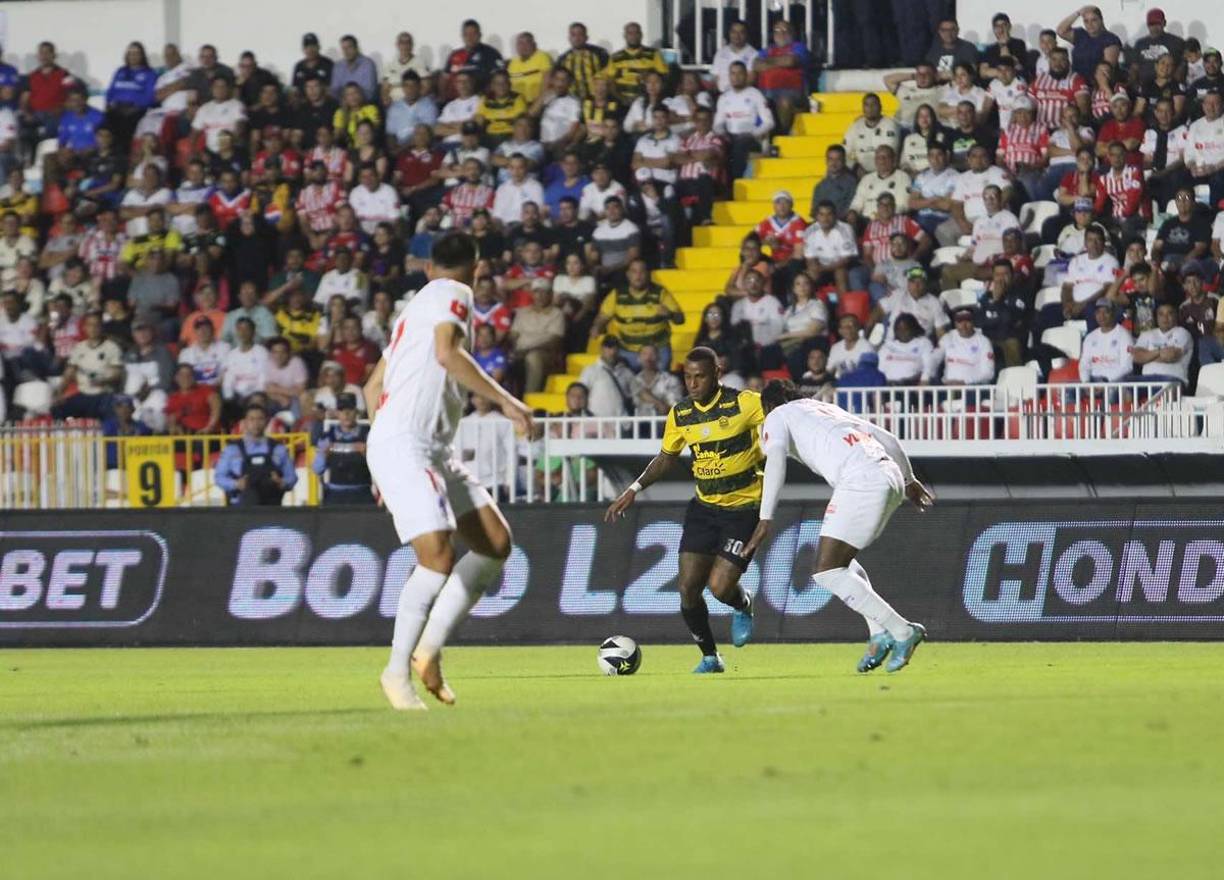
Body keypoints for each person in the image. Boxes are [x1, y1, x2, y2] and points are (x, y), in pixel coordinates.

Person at [362, 231, 532, 710]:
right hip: (407, 443)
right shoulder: (453, 294)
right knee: (437, 555)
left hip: (424, 446)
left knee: (494, 543)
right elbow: (447, 353)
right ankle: (396, 673)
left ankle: (427, 652)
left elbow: (372, 388)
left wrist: (380, 463)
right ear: (476, 269)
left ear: (427, 266)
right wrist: (508, 402)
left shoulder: (412, 310)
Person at [744, 381, 933, 673]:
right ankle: (878, 634)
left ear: (768, 406)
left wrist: (765, 517)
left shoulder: (777, 415)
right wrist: (909, 480)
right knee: (842, 564)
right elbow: (888, 438)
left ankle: (903, 631)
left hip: (862, 479)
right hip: (888, 474)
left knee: (827, 571)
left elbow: (776, 462)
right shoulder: (825, 409)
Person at [604, 347, 761, 674]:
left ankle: (743, 603)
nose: (692, 383)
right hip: (704, 508)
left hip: (743, 508)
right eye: (687, 377)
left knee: (720, 589)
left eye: (700, 376)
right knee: (688, 588)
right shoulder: (681, 413)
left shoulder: (744, 403)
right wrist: (633, 489)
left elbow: (783, 420)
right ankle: (710, 657)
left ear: (717, 373)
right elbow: (666, 457)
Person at [590, 258, 684, 371]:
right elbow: (602, 317)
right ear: (628, 275)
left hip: (657, 350)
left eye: (642, 271)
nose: (638, 276)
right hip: (628, 351)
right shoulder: (617, 295)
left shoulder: (660, 293)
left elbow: (681, 319)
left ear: (648, 274)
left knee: (659, 380)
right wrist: (597, 327)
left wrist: (670, 314)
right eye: (634, 271)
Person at [214, 402, 298, 505]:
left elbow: (292, 477)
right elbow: (219, 477)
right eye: (252, 419)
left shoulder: (279, 449)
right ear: (244, 422)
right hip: (240, 506)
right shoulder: (231, 449)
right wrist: (236, 484)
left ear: (267, 421)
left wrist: (281, 483)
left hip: (271, 506)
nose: (256, 423)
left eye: (260, 419)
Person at [713, 62, 773, 182]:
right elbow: (717, 124)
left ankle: (736, 180)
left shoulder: (755, 94)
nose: (736, 77)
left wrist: (753, 133)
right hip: (730, 137)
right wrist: (723, 134)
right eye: (733, 73)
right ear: (729, 76)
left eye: (740, 73)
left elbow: (769, 122)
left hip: (751, 137)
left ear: (746, 75)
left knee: (741, 142)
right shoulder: (724, 97)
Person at [310, 392, 374, 504]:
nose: (346, 414)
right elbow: (317, 469)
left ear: (356, 412)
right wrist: (324, 455)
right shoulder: (327, 437)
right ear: (337, 413)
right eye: (342, 410)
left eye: (350, 409)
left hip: (362, 495)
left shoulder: (369, 435)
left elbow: (381, 468)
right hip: (335, 496)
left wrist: (368, 455)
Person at [1133, 303, 1193, 386]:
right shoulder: (1147, 334)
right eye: (1161, 314)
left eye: (1170, 313)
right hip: (1147, 380)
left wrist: (1146, 356)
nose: (1165, 318)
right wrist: (1159, 352)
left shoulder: (1182, 333)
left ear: (1176, 316)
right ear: (1156, 317)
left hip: (1173, 380)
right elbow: (1135, 357)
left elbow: (1170, 357)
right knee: (1124, 384)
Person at [1056, 5, 1122, 81]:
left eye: (1094, 20)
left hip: (1096, 84)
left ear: (1101, 20)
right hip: (1076, 82)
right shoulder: (1080, 34)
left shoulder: (1110, 39)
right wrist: (1078, 13)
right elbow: (1060, 31)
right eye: (1086, 21)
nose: (1090, 24)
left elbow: (1107, 70)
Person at [931, 308, 995, 385]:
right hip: (948, 387)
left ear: (973, 322)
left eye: (967, 321)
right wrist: (926, 376)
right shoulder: (947, 338)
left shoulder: (984, 341)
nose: (964, 325)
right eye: (960, 322)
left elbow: (989, 373)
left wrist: (965, 382)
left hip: (973, 387)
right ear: (955, 324)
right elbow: (934, 359)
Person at [579, 335, 635, 418]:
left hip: (622, 422)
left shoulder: (627, 373)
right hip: (597, 422)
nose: (612, 351)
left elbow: (637, 394)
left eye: (615, 348)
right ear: (602, 349)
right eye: (608, 347)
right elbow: (580, 395)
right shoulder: (590, 371)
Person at [843, 93, 900, 173]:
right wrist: (855, 167)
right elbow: (843, 152)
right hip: (860, 172)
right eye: (867, 105)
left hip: (885, 171)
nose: (870, 108)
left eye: (874, 104)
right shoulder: (855, 126)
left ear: (880, 107)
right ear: (863, 108)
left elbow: (888, 154)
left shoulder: (890, 125)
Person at [1078, 300, 1133, 383]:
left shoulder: (1124, 335)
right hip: (1093, 381)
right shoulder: (1090, 337)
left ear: (1113, 313)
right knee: (1069, 388)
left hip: (1115, 382)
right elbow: (1084, 364)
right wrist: (1086, 382)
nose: (1102, 316)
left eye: (1106, 312)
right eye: (1098, 312)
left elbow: (1127, 366)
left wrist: (1105, 382)